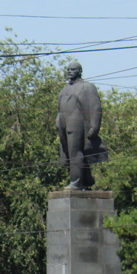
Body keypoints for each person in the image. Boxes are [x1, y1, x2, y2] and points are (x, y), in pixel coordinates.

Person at [57, 61, 108, 190]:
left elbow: (95, 107)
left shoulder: (87, 87)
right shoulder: (65, 88)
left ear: (79, 71)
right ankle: (86, 180)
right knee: (69, 154)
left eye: (73, 69)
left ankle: (76, 182)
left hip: (77, 124)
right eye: (68, 69)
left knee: (76, 152)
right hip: (64, 124)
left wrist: (95, 127)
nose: (69, 71)